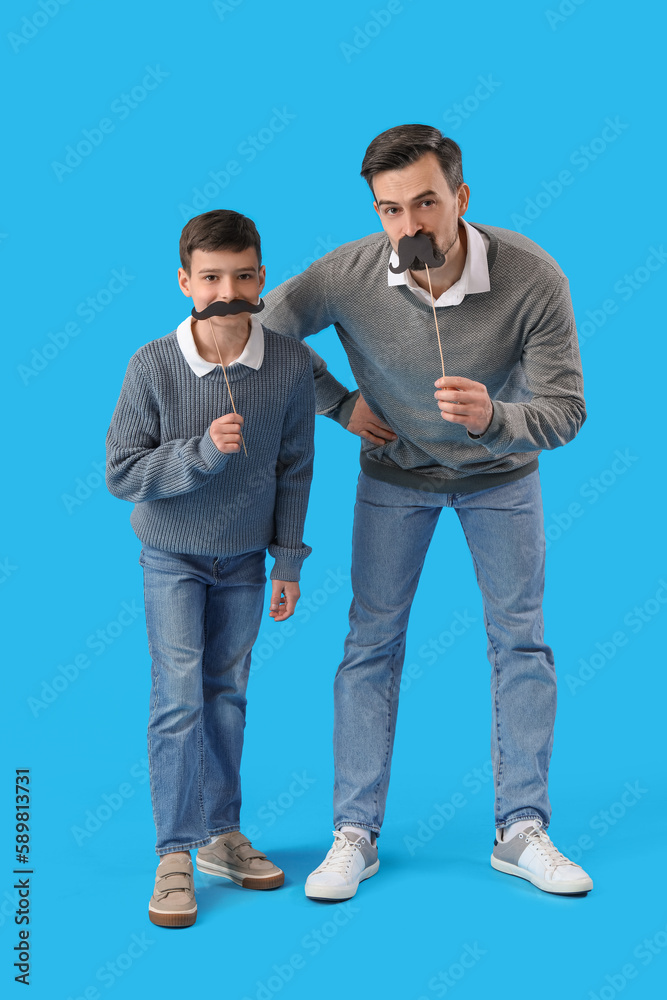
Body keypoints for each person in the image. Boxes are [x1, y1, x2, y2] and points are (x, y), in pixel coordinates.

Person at [261, 124, 594, 899]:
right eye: (389, 210)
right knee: (369, 643)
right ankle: (354, 833)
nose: (408, 227)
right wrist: (338, 404)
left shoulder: (532, 276)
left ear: (460, 198)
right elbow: (264, 335)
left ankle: (521, 830)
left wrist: (494, 418)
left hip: (501, 479)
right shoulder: (345, 276)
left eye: (424, 204)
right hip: (394, 477)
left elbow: (567, 409)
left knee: (521, 643)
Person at [106, 209, 315, 926]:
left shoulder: (288, 364)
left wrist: (286, 559)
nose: (227, 289)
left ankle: (220, 835)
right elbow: (121, 473)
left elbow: (296, 467)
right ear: (185, 282)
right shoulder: (152, 364)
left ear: (260, 277)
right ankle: (173, 850)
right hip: (172, 556)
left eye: (243, 275)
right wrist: (199, 452)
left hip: (246, 562)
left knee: (227, 694)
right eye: (211, 277)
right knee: (178, 697)